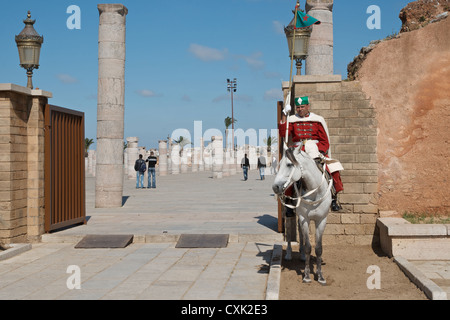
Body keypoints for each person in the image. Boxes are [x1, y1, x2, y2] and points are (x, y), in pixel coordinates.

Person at [279, 96, 344, 211]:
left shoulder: (317, 120)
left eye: (302, 107)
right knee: (290, 173)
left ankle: (334, 198)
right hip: (298, 151)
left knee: (333, 169)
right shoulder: (292, 120)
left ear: (308, 106)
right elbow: (283, 133)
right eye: (298, 107)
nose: (300, 109)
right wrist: (284, 114)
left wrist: (319, 150)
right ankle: (289, 200)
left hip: (315, 150)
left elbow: (324, 140)